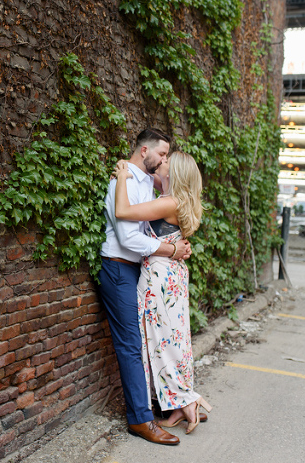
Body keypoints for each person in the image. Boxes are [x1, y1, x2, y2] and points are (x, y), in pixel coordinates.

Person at [98, 128, 191, 446]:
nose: (165, 160)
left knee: (151, 340)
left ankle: (168, 402)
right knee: (130, 346)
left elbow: (158, 226)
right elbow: (128, 238)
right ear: (144, 150)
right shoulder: (122, 180)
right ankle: (141, 420)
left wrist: (177, 243)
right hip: (118, 269)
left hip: (136, 270)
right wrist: (170, 250)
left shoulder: (148, 186)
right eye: (162, 154)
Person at [114, 150, 212, 435]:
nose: (161, 161)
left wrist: (122, 176)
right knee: (175, 339)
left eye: (167, 160)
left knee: (156, 341)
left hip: (159, 275)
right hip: (174, 275)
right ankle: (182, 404)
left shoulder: (169, 202)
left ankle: (186, 401)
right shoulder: (178, 198)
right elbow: (153, 177)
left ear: (174, 173)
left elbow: (123, 211)